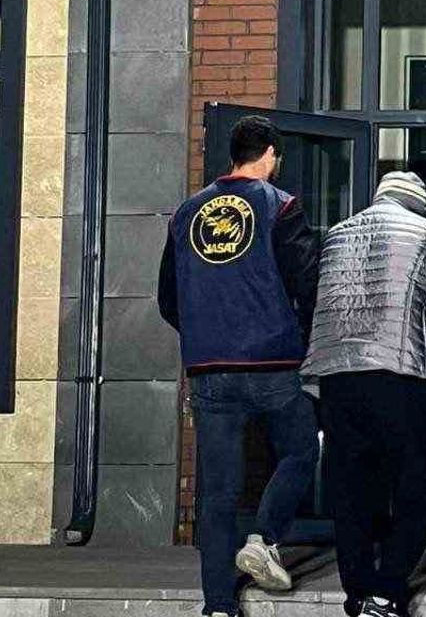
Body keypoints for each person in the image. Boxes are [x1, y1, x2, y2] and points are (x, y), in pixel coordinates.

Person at [158, 115, 321, 617]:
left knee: (218, 491)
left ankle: (218, 605)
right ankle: (264, 538)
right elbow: (307, 281)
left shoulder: (187, 213)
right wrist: (301, 337)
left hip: (209, 369)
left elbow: (167, 299)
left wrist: (206, 336)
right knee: (301, 449)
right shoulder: (280, 205)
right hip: (272, 361)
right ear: (269, 153)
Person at [300, 171, 426, 617]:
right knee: (417, 486)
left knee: (350, 491)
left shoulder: (335, 234)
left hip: (337, 377)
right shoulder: (425, 233)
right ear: (417, 204)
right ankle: (388, 590)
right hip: (400, 373)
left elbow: (312, 299)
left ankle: (357, 594)